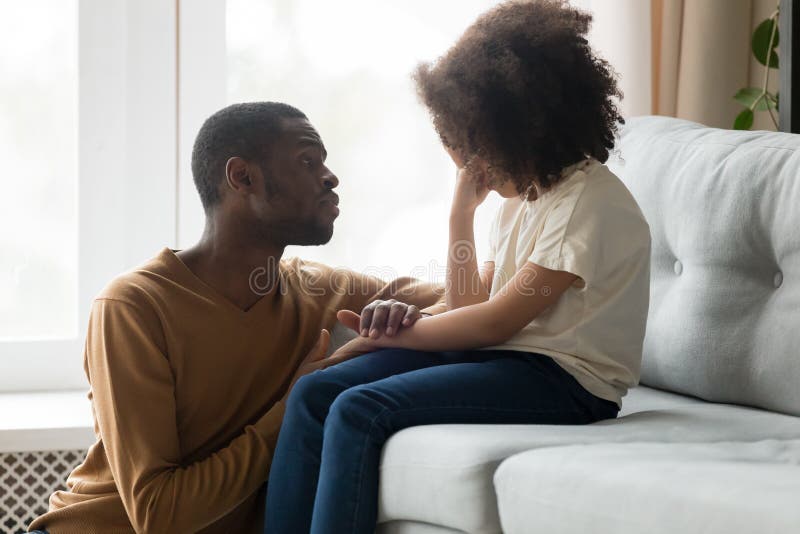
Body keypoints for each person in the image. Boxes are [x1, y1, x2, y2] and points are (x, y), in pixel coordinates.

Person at [264, 1, 652, 533]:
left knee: (360, 410)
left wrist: (403, 336)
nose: (474, 171)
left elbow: (495, 323)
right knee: (314, 394)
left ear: (522, 131)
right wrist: (461, 214)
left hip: (566, 383)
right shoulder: (528, 199)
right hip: (507, 361)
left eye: (478, 155)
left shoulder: (588, 205)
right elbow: (470, 304)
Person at [28, 102, 444, 534]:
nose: (331, 177)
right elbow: (159, 516)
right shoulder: (133, 307)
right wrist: (295, 404)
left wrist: (409, 315)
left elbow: (471, 301)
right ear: (242, 177)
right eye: (308, 160)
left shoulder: (324, 291)